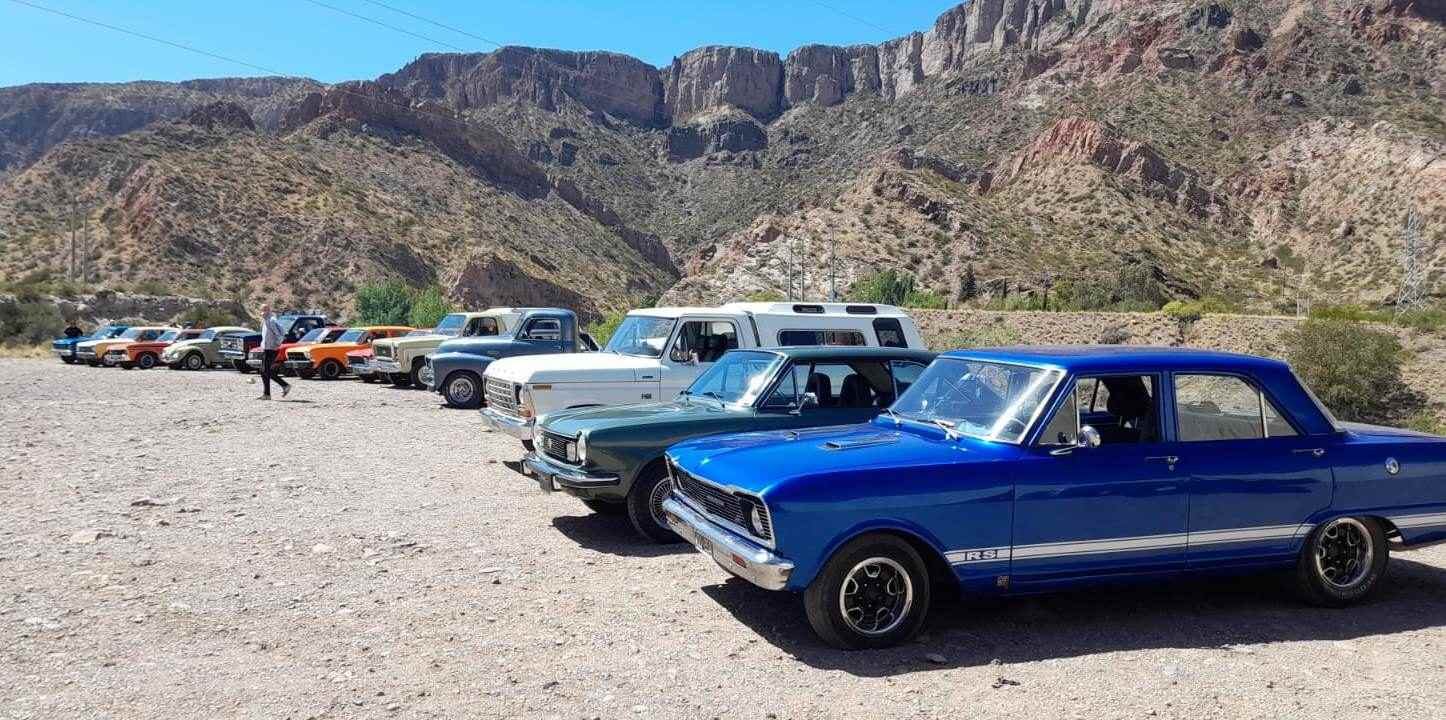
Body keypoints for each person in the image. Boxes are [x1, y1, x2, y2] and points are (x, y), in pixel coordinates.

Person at [258, 304, 291, 400]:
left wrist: (276, 345)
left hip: (271, 349)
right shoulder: (265, 321)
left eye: (265, 310)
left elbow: (280, 335)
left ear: (269, 310)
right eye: (262, 310)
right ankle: (284, 386)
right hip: (266, 349)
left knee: (264, 371)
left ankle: (267, 394)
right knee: (266, 371)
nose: (263, 312)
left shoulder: (272, 321)